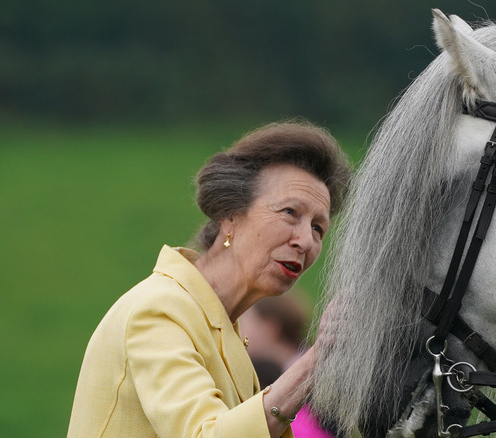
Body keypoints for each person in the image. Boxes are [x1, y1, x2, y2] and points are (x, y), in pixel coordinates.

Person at [67, 120, 351, 438]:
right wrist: (317, 358)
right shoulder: (159, 310)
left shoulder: (229, 335)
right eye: (289, 212)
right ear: (228, 214)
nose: (306, 241)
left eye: (318, 228)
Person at [240, 293, 335, 437]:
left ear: (270, 328)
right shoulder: (265, 372)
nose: (239, 334)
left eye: (245, 324)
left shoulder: (324, 381)